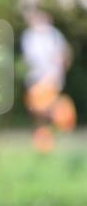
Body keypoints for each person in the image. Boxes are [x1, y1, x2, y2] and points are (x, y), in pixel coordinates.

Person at [21, 9, 76, 152]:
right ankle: (43, 137)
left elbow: (65, 53)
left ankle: (55, 130)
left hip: (51, 76)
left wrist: (60, 68)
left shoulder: (54, 35)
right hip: (35, 77)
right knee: (37, 109)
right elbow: (29, 58)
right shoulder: (29, 36)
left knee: (46, 107)